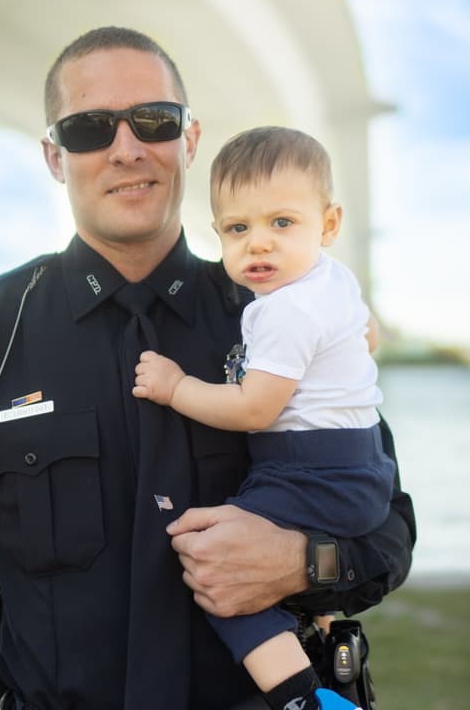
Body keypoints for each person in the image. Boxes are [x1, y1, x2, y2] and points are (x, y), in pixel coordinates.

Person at [0, 26, 415, 710]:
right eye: (89, 128)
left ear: (190, 139)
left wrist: (303, 560)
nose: (127, 148)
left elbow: (389, 527)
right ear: (54, 157)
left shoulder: (284, 316)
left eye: (154, 121)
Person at [132, 126, 393, 710]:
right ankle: (321, 634)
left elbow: (255, 407)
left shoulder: (285, 311)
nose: (258, 245)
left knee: (217, 568)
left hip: (311, 471)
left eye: (282, 223)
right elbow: (369, 334)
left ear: (327, 224)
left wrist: (177, 388)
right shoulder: (332, 280)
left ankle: (302, 699)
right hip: (358, 463)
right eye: (238, 229)